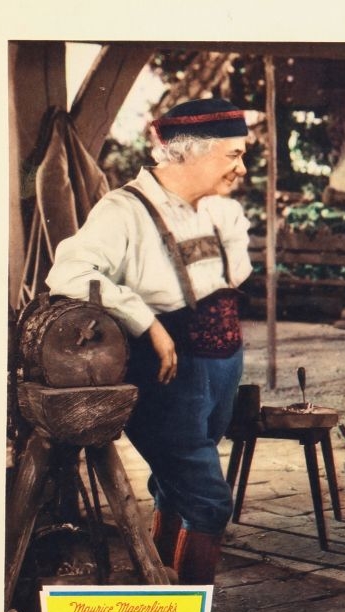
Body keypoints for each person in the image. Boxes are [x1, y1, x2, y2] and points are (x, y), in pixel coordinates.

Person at [46, 98, 253, 585]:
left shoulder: (222, 212)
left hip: (222, 363)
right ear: (189, 153)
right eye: (233, 155)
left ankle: (159, 587)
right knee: (208, 499)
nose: (241, 167)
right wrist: (147, 321)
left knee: (174, 486)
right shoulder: (124, 210)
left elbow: (230, 280)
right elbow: (69, 272)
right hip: (168, 372)